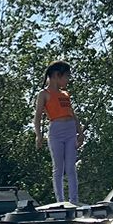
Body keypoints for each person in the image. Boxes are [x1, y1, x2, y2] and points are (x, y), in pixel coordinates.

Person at [33, 61, 82, 204]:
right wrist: (39, 135)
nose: (67, 80)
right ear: (56, 75)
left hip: (70, 129)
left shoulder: (65, 94)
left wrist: (80, 132)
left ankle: (74, 200)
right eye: (66, 76)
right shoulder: (44, 94)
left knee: (71, 166)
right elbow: (37, 117)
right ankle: (60, 200)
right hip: (56, 129)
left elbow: (72, 114)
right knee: (58, 167)